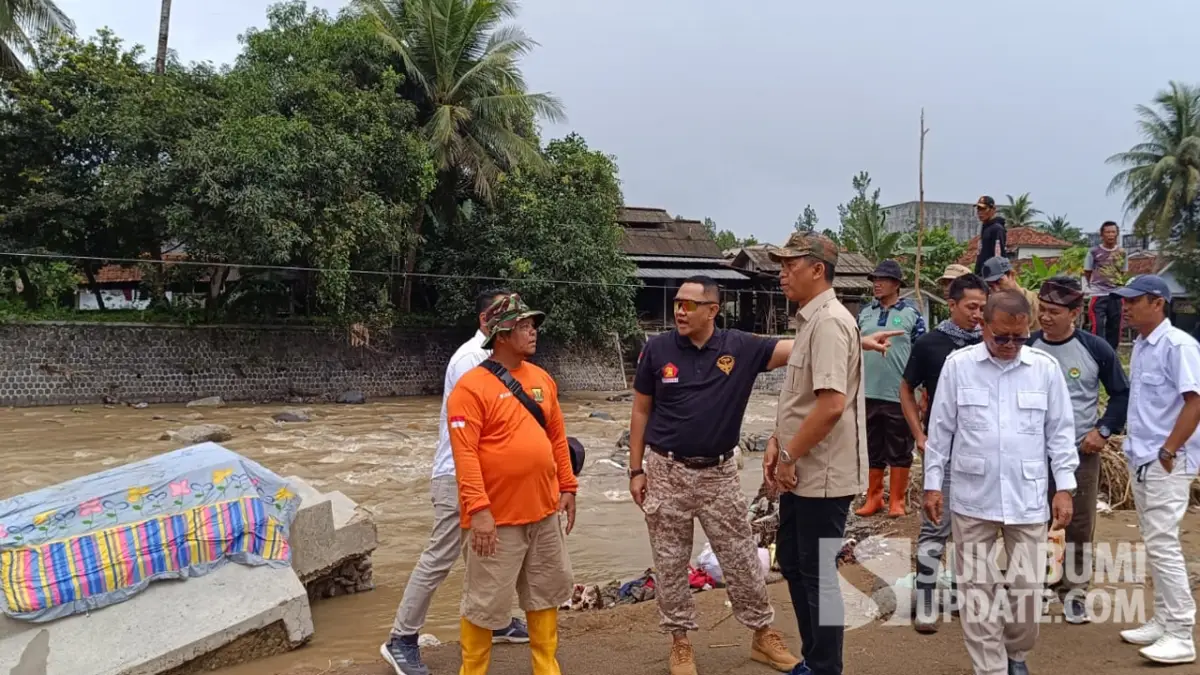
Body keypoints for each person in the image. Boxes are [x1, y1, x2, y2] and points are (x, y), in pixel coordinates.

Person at [629, 274, 801, 675]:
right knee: (670, 562)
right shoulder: (657, 349)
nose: (679, 310)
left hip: (719, 474)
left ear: (712, 310)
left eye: (690, 304)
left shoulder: (740, 346)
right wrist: (635, 470)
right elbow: (640, 411)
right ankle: (681, 643)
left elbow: (801, 348)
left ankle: (762, 634)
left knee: (741, 556)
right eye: (677, 303)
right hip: (665, 469)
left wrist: (856, 341)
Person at [923, 289, 1078, 675]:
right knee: (977, 590)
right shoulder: (959, 366)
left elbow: (1060, 432)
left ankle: (1015, 654)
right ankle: (990, 668)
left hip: (1026, 497)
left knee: (1028, 589)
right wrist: (931, 484)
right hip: (973, 495)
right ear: (983, 326)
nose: (1010, 345)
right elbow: (940, 430)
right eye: (1001, 337)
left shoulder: (1044, 368)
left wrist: (1064, 487)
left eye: (1019, 337)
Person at [380, 289, 526, 675]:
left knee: (488, 553)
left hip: (487, 475)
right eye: (504, 316)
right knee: (440, 556)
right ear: (485, 322)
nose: (517, 323)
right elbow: (471, 432)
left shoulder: (503, 360)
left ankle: (495, 622)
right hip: (458, 474)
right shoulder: (469, 361)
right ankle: (401, 637)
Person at [447, 293, 578, 675]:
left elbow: (557, 437)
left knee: (545, 594)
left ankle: (546, 668)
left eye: (533, 324)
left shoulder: (542, 380)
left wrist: (568, 486)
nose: (533, 331)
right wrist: (480, 511)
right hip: (496, 520)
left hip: (543, 512)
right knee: (484, 604)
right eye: (524, 325)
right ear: (502, 334)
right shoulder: (471, 388)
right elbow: (465, 454)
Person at [762, 232, 868, 675]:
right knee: (794, 560)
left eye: (790, 265)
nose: (782, 273)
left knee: (818, 574)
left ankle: (825, 667)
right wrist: (775, 441)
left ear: (817, 269)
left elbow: (829, 406)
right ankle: (814, 659)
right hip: (803, 470)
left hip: (822, 474)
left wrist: (787, 457)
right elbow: (801, 400)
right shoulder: (810, 322)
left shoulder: (828, 323)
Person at [1029, 276, 1129, 625]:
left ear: (1074, 313)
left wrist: (1102, 430)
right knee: (1033, 521)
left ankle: (1074, 592)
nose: (1045, 317)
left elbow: (1121, 393)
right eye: (1042, 310)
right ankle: (1039, 585)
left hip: (1079, 453)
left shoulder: (1095, 349)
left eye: (1054, 312)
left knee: (1079, 523)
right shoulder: (1027, 348)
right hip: (1033, 454)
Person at [1111, 275, 1200, 665]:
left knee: (1163, 544)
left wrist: (1169, 449)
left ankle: (1181, 631)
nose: (1126, 307)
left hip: (1166, 459)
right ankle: (1163, 619)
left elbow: (1195, 401)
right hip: (1144, 455)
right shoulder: (1145, 345)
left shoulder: (1179, 346)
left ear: (1158, 302)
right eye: (1125, 301)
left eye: (1134, 301)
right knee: (1154, 540)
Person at [900, 273, 989, 633]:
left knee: (976, 528)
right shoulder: (931, 344)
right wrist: (919, 434)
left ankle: (963, 595)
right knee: (935, 524)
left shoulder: (993, 343)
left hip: (983, 452)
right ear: (951, 305)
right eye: (971, 307)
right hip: (944, 450)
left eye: (984, 307)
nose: (978, 315)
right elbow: (906, 390)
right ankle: (925, 599)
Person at [855, 260, 926, 518]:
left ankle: (896, 500)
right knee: (872, 446)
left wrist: (923, 391)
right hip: (867, 392)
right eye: (874, 279)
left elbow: (921, 352)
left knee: (899, 447)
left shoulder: (911, 314)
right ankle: (874, 498)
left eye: (882, 279)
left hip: (900, 394)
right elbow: (852, 346)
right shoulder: (864, 313)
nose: (877, 283)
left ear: (896, 284)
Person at [1084, 221, 1128, 350]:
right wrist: (1093, 285)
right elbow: (1087, 271)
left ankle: (1112, 353)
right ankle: (1097, 350)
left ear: (1117, 234)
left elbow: (1123, 271)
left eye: (1113, 232)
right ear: (1102, 235)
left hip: (1116, 294)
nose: (1110, 235)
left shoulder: (1122, 252)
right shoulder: (1093, 252)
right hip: (1098, 294)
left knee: (1115, 326)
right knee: (1098, 325)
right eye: (1107, 232)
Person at [981, 256, 1040, 331]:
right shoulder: (990, 309)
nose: (996, 289)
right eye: (991, 286)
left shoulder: (1037, 302)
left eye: (999, 282)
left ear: (1012, 275)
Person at [972, 196, 1008, 276]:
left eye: (983, 209)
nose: (980, 212)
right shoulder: (985, 227)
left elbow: (999, 254)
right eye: (978, 209)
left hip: (991, 276)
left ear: (993, 209)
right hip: (981, 274)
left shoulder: (997, 229)